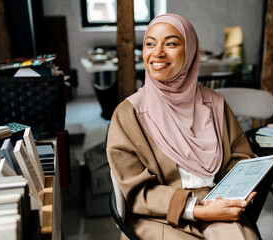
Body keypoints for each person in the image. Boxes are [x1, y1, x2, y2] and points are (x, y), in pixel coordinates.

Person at [106, 13, 260, 240]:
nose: (157, 53)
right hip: (157, 214)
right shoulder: (128, 114)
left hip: (215, 202)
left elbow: (240, 158)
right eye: (150, 43)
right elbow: (136, 191)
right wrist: (196, 210)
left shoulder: (215, 104)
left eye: (171, 43)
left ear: (189, 52)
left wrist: (233, 194)